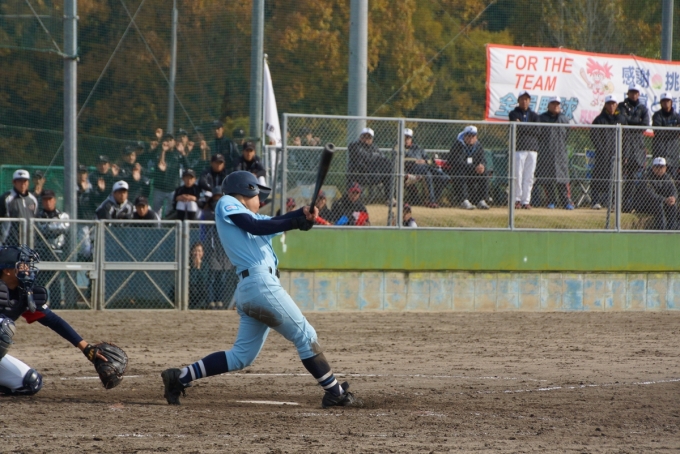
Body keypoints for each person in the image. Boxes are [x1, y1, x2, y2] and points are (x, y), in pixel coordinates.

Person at [160, 171, 360, 408]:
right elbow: (255, 226)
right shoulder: (228, 203)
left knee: (241, 356)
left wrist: (302, 214)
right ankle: (335, 393)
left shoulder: (250, 216)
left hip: (254, 288)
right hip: (260, 285)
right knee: (305, 335)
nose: (261, 200)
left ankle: (179, 378)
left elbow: (273, 222)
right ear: (245, 191)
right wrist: (295, 221)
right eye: (258, 196)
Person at [0, 245, 108, 395]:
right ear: (7, 270)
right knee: (3, 327)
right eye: (23, 265)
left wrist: (86, 348)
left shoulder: (23, 293)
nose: (28, 269)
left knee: (30, 383)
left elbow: (54, 321)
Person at [198, 185, 237, 309]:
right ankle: (211, 301)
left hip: (224, 249)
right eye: (215, 197)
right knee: (212, 277)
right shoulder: (207, 212)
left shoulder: (228, 211)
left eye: (220, 197)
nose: (217, 199)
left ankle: (219, 301)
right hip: (212, 248)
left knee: (222, 278)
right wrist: (203, 244)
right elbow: (202, 230)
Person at [536, 96, 575, 210]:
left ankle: (566, 202)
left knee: (562, 179)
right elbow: (539, 135)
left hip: (561, 153)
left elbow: (567, 135)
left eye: (557, 104)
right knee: (547, 178)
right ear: (548, 105)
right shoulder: (542, 118)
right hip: (546, 153)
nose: (555, 106)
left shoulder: (564, 119)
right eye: (553, 104)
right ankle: (551, 201)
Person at [590, 95, 627, 210]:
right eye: (609, 104)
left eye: (613, 104)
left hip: (617, 155)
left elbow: (626, 138)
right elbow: (594, 136)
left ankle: (614, 203)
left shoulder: (621, 119)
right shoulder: (599, 119)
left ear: (616, 105)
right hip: (602, 156)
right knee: (598, 177)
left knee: (616, 178)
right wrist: (602, 150)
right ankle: (595, 201)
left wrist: (624, 154)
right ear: (605, 105)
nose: (611, 106)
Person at [35, 189, 70, 307]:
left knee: (55, 279)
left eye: (50, 199)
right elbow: (39, 230)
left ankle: (56, 304)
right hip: (41, 251)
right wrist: (53, 229)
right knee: (40, 279)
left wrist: (48, 229)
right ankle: (39, 304)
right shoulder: (38, 216)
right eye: (45, 200)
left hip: (57, 251)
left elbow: (64, 228)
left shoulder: (63, 215)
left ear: (54, 200)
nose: (48, 202)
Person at [508, 90, 541, 209]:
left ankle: (525, 201)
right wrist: (528, 127)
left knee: (529, 176)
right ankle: (517, 199)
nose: (524, 101)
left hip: (532, 149)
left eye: (526, 99)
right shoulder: (513, 113)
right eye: (522, 99)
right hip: (519, 149)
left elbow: (538, 131)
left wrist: (522, 125)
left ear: (529, 101)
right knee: (517, 175)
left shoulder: (534, 115)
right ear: (518, 100)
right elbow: (516, 129)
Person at [446, 126, 490, 210]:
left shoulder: (478, 146)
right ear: (464, 136)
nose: (471, 138)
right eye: (468, 136)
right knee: (460, 172)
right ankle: (464, 200)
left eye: (473, 136)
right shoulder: (458, 145)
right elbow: (457, 162)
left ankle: (481, 200)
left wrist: (482, 166)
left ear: (476, 137)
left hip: (473, 170)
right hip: (459, 171)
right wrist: (474, 167)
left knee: (485, 173)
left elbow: (483, 159)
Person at [347, 127, 393, 204]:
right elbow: (363, 157)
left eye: (369, 137)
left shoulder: (374, 147)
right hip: (358, 175)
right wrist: (375, 157)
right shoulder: (354, 146)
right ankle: (353, 201)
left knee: (389, 168)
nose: (366, 139)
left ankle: (389, 199)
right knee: (383, 162)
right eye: (364, 136)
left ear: (372, 139)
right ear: (360, 137)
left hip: (372, 174)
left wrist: (374, 158)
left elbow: (383, 158)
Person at [403, 128, 447, 208]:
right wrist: (414, 161)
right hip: (412, 169)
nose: (406, 140)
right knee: (428, 173)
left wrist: (425, 161)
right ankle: (431, 201)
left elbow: (429, 160)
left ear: (411, 139)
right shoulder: (399, 149)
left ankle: (432, 199)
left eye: (408, 138)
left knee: (444, 178)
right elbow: (400, 161)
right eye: (404, 138)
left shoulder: (418, 148)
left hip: (425, 168)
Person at [634, 157, 677, 230]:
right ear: (653, 168)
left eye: (662, 167)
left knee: (673, 206)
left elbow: (673, 190)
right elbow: (650, 194)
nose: (660, 169)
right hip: (645, 204)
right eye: (657, 167)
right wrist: (664, 200)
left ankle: (671, 230)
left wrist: (673, 198)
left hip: (662, 201)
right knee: (658, 205)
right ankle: (661, 230)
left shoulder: (667, 177)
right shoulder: (647, 176)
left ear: (665, 168)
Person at [152, 133, 188, 217]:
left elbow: (187, 167)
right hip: (159, 187)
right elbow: (161, 167)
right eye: (166, 140)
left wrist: (183, 153)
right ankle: (157, 225)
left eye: (170, 140)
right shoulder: (158, 152)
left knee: (171, 211)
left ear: (174, 142)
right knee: (156, 212)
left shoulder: (178, 154)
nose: (168, 142)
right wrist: (163, 151)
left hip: (173, 188)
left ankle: (168, 224)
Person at [0, 170, 39, 245]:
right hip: (9, 242)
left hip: (29, 242)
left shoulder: (33, 199)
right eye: (19, 181)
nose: (23, 184)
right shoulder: (6, 198)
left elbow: (35, 219)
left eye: (25, 181)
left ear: (28, 182)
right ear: (14, 182)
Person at [652, 93, 680, 182]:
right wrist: (674, 130)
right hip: (660, 152)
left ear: (671, 102)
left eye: (668, 101)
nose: (666, 103)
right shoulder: (657, 115)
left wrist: (666, 131)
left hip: (673, 152)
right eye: (664, 101)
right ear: (660, 103)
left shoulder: (677, 116)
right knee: (658, 179)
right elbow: (658, 132)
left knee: (672, 179)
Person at [188, 242, 210, 309]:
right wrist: (195, 267)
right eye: (195, 251)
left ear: (202, 253)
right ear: (192, 252)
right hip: (190, 287)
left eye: (199, 251)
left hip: (200, 288)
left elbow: (203, 280)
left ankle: (198, 306)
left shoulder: (205, 265)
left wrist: (198, 267)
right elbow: (192, 280)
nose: (197, 253)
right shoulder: (188, 264)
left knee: (203, 289)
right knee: (193, 288)